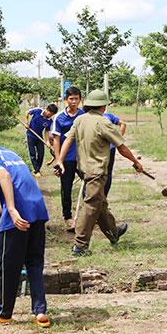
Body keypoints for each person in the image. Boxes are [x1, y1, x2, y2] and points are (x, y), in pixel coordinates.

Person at [0, 117, 50, 327]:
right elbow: (15, 187)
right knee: (34, 262)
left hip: (19, 214)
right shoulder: (9, 152)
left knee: (8, 266)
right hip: (38, 209)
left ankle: (3, 312)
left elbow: (4, 176)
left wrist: (12, 211)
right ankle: (40, 312)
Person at [57, 90, 144, 256]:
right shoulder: (103, 122)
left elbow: (67, 139)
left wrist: (60, 159)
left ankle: (113, 233)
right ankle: (80, 245)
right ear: (104, 106)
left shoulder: (79, 120)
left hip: (84, 170)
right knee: (91, 205)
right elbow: (121, 147)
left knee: (100, 204)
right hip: (97, 172)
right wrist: (136, 162)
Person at [51, 86, 85, 230]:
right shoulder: (59, 117)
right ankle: (68, 216)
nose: (73, 102)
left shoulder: (83, 116)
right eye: (71, 99)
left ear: (80, 100)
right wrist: (59, 161)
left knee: (90, 185)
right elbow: (56, 140)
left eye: (76, 99)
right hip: (66, 159)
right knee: (66, 188)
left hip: (82, 158)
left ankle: (87, 215)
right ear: (66, 100)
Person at [24, 104, 58, 177]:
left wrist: (48, 141)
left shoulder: (50, 121)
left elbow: (46, 131)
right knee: (32, 153)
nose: (50, 116)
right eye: (51, 114)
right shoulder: (37, 111)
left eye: (52, 115)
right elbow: (27, 112)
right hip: (30, 135)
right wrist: (27, 122)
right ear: (48, 110)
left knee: (41, 154)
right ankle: (36, 171)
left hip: (39, 137)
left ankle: (37, 169)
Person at [101, 110, 127, 197]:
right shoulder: (108, 116)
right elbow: (123, 124)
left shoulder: (107, 116)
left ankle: (101, 197)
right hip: (109, 148)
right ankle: (103, 196)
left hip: (102, 148)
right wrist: (117, 139)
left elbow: (123, 124)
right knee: (107, 173)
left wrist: (117, 139)